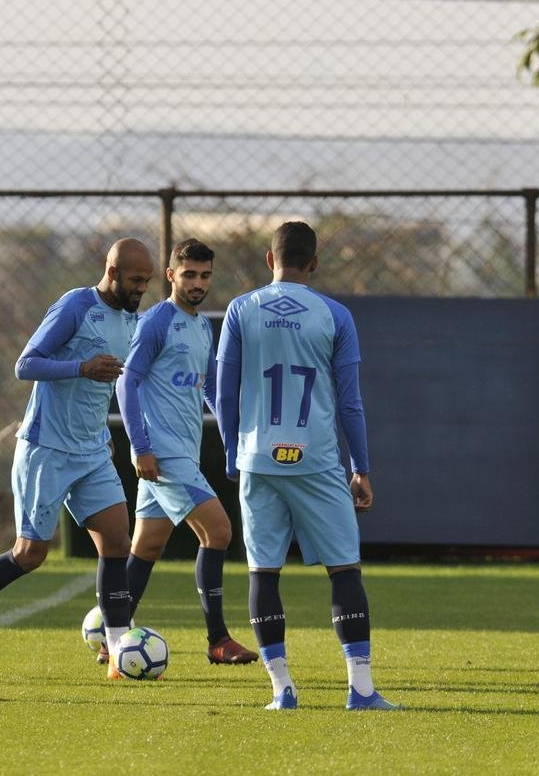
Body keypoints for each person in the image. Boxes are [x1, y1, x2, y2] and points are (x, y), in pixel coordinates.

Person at [0, 238, 155, 680]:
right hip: (47, 448)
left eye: (146, 282)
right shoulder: (76, 305)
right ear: (111, 272)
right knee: (30, 554)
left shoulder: (133, 319)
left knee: (115, 541)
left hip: (92, 450)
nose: (140, 290)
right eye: (134, 280)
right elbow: (25, 364)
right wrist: (81, 367)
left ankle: (117, 654)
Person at [214, 221, 400, 711]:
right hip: (316, 460)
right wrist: (361, 467)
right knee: (344, 570)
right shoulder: (334, 314)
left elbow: (222, 393)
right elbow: (350, 402)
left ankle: (282, 691)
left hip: (259, 460)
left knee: (263, 574)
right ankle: (360, 690)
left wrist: (234, 453)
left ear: (268, 259)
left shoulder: (240, 310)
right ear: (314, 263)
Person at [113, 238, 258, 666]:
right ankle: (218, 640)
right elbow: (127, 382)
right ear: (171, 275)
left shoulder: (200, 325)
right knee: (219, 532)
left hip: (181, 454)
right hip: (163, 452)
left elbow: (209, 386)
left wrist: (232, 435)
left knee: (147, 547)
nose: (198, 283)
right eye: (189, 274)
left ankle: (111, 634)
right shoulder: (159, 320)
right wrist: (140, 447)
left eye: (205, 275)